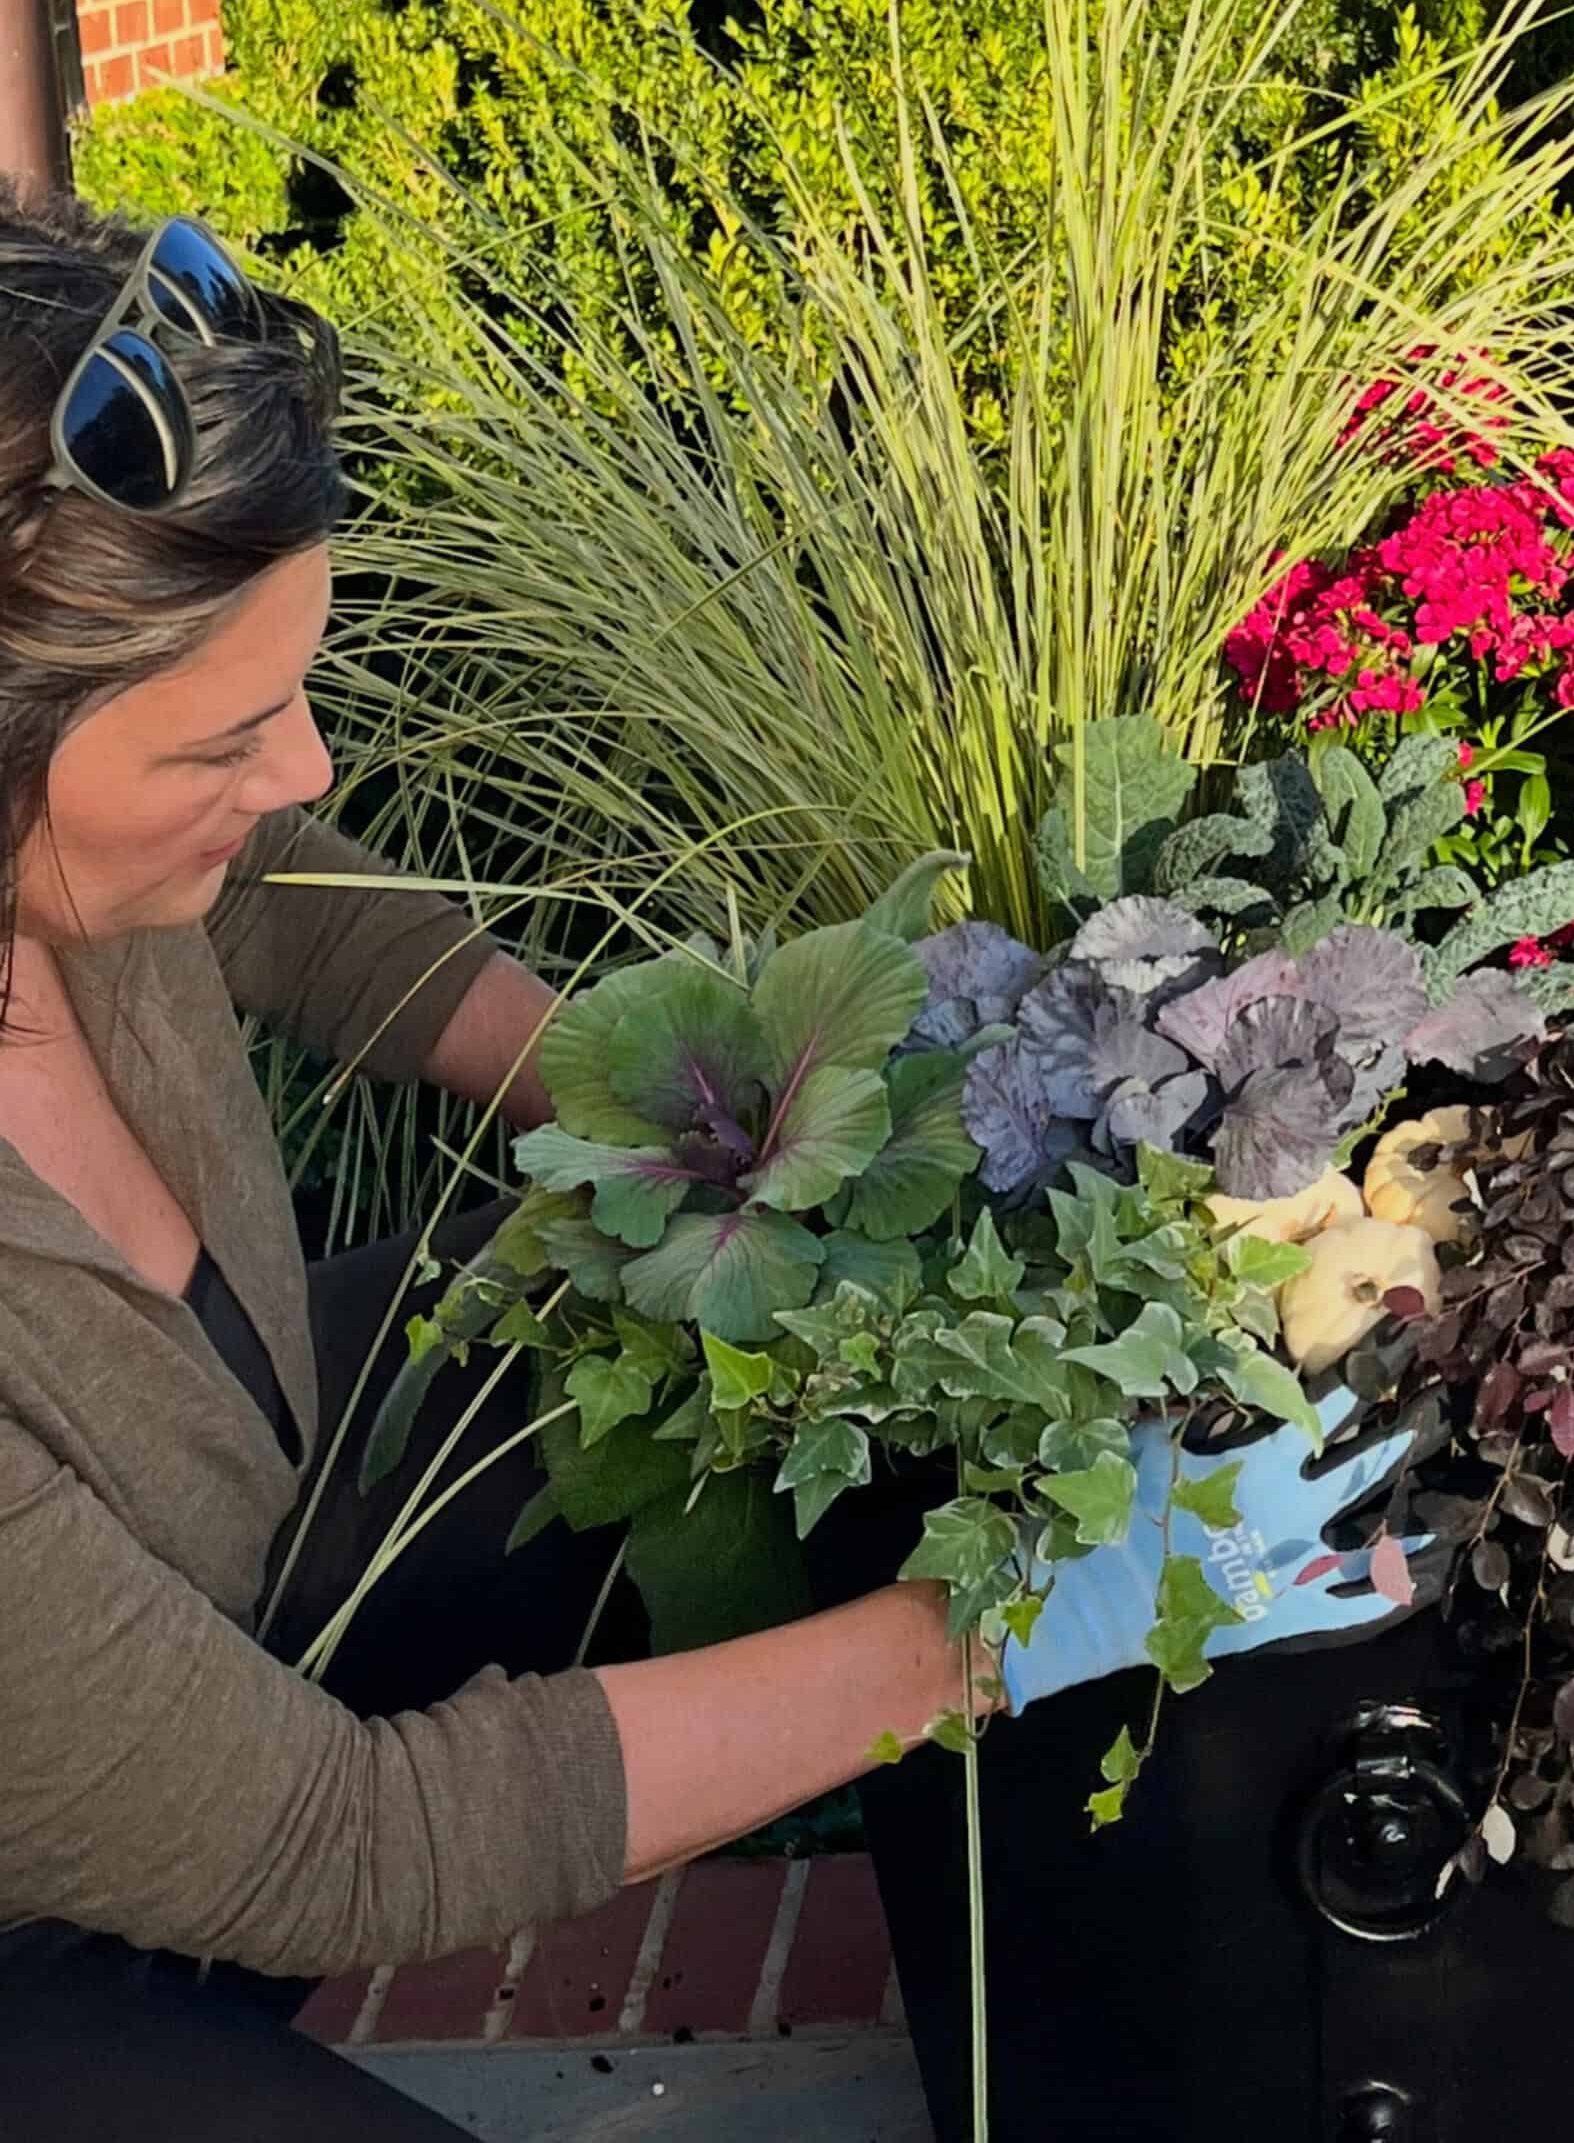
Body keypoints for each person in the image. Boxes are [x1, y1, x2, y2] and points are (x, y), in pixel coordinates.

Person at [0, 190, 1433, 2141]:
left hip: (216, 1596)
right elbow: (329, 1835)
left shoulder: (92, 856)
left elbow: (279, 886)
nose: (307, 765)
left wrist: (644, 1099)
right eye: (225, 734)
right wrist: (1011, 1616)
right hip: (44, 1944)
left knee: (641, 1323)